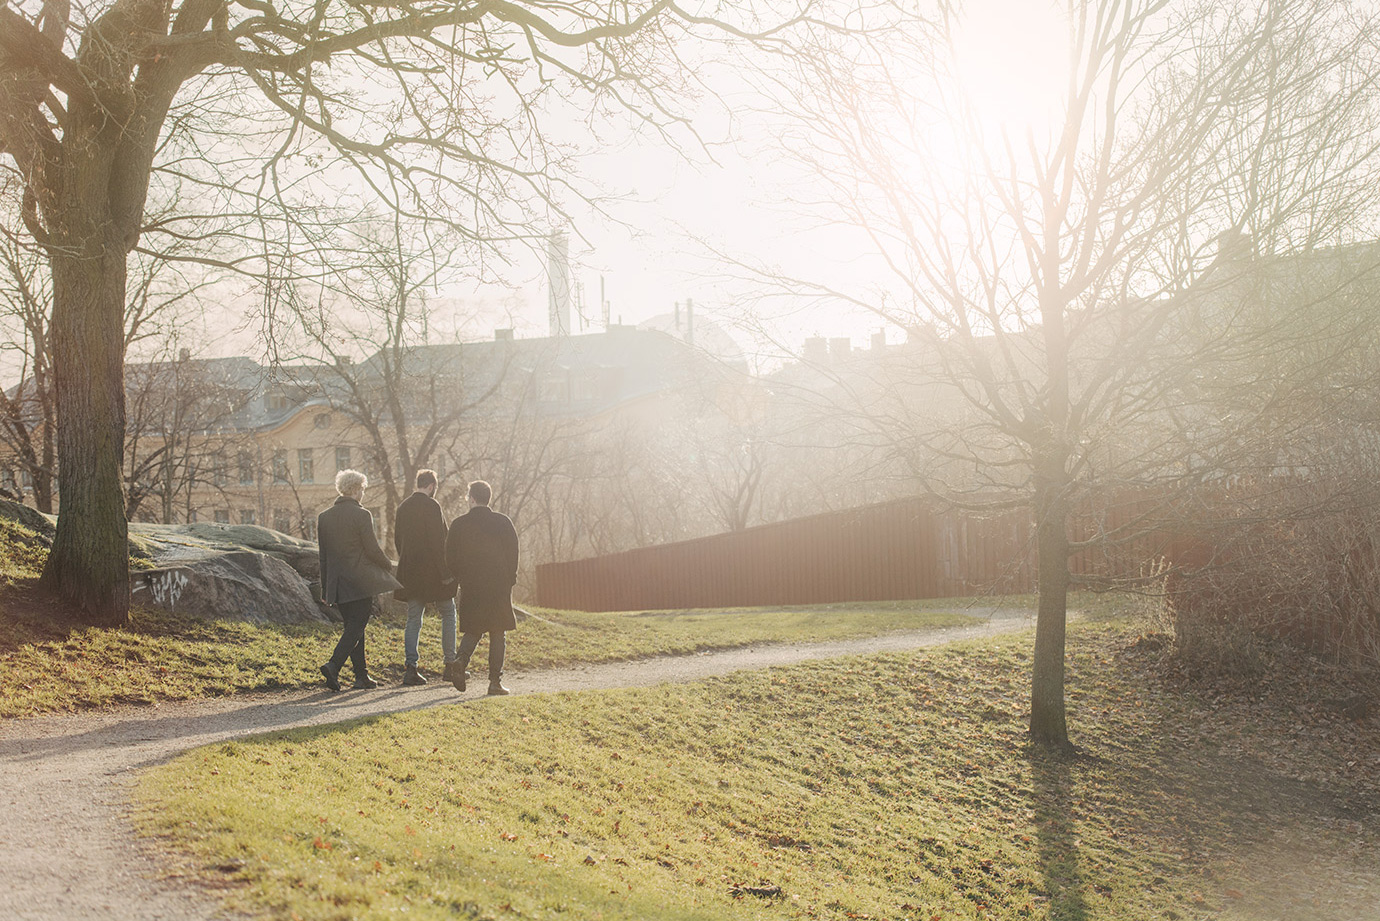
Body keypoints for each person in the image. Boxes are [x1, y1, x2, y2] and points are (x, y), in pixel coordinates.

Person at [317, 469, 401, 691]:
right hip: (360, 581)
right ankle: (333, 665)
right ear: (355, 490)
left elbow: (323, 558)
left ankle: (361, 676)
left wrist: (326, 589)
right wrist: (386, 564)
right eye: (362, 489)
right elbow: (372, 549)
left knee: (353, 628)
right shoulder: (362, 515)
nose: (363, 493)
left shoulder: (324, 518)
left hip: (338, 584)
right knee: (357, 626)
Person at [446, 479, 519, 695]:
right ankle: (495, 682)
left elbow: (449, 556)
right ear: (489, 498)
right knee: (498, 632)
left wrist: (461, 577)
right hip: (498, 584)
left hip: (471, 584)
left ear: (472, 498)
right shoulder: (503, 522)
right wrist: (510, 578)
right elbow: (513, 552)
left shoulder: (459, 524)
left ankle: (460, 661)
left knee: (474, 628)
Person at [394, 468, 457, 686]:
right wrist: (446, 573)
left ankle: (411, 668)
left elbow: (397, 540)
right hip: (433, 574)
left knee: (414, 619)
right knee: (448, 612)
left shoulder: (403, 507)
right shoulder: (432, 506)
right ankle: (450, 665)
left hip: (411, 572)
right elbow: (439, 541)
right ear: (431, 486)